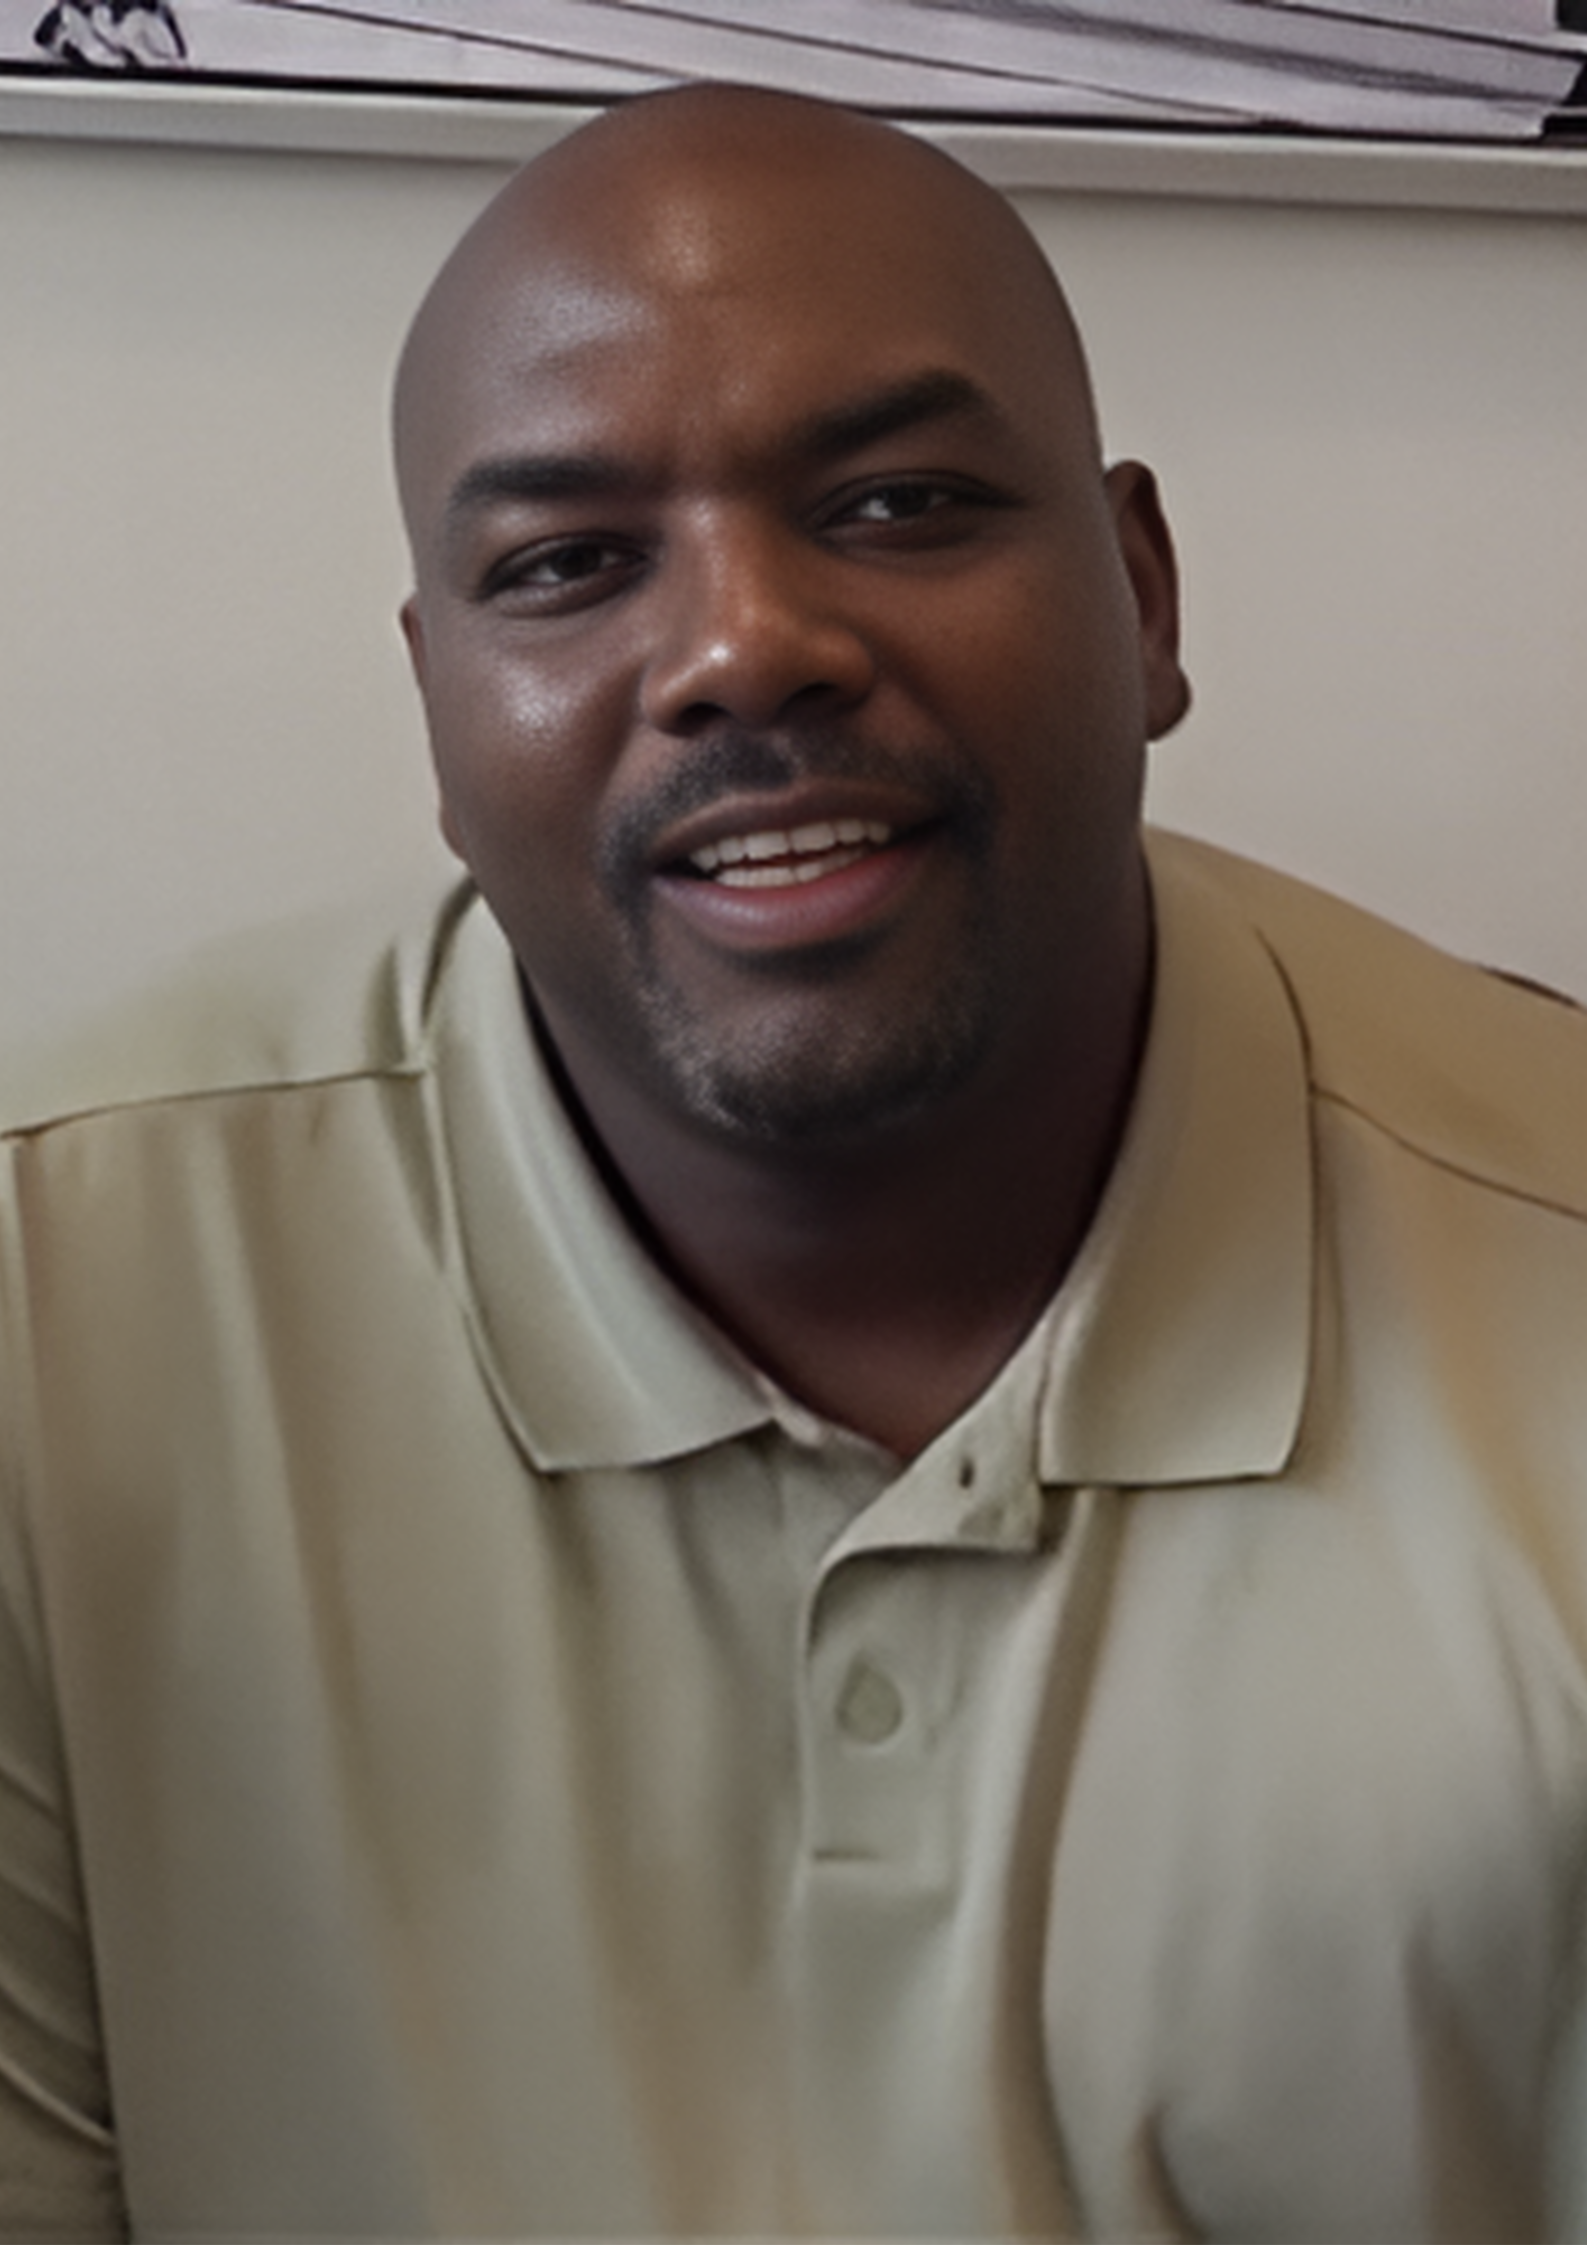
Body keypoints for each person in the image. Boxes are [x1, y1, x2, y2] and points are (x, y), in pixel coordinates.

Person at [1, 80, 1585, 2245]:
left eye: (901, 503)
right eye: (566, 565)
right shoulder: (52, 1316)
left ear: (1140, 597)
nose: (744, 646)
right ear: (439, 710)